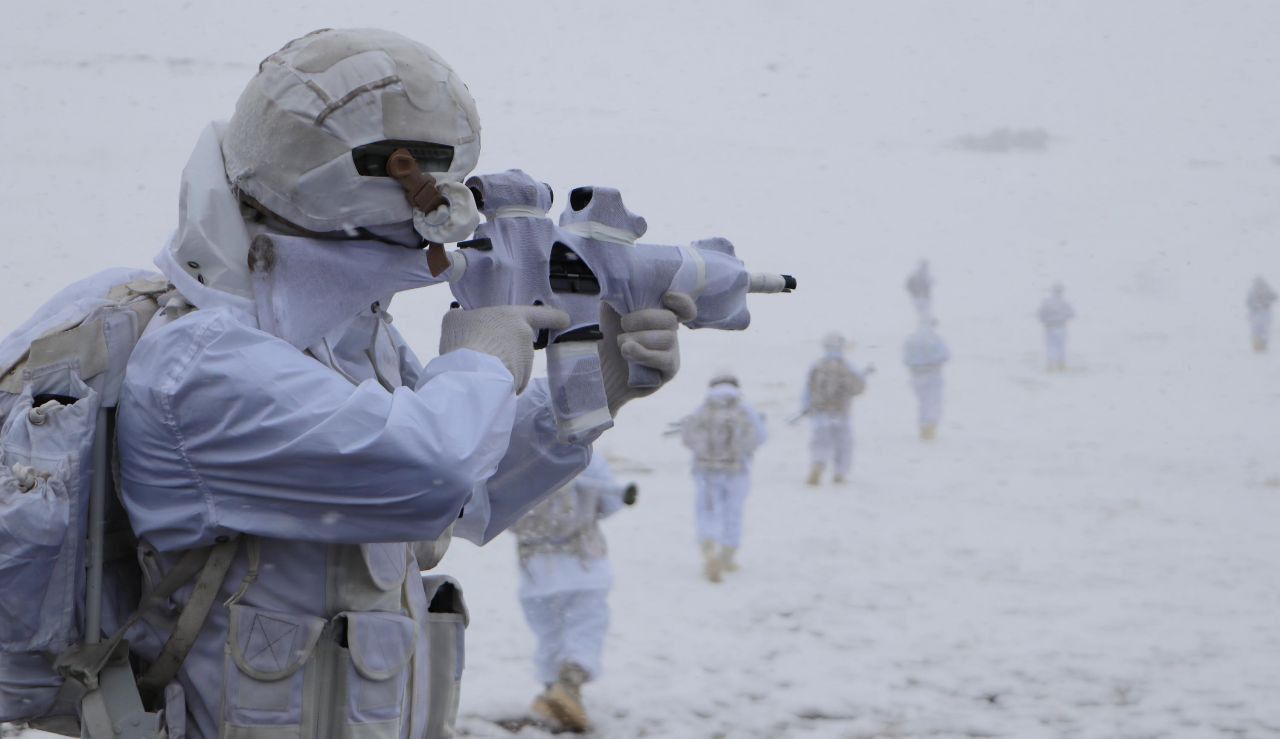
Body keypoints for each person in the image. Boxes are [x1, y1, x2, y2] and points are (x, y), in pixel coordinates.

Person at [110, 29, 688, 738]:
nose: (444, 218)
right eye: (435, 186)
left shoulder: (343, 339)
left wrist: (598, 382)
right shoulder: (202, 363)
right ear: (372, 179)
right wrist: (480, 359)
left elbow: (469, 494)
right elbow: (430, 474)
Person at [510, 454, 637, 733]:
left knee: (549, 634)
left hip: (536, 569)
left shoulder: (516, 458)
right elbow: (611, 503)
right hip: (583, 565)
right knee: (586, 628)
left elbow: (500, 514)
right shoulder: (585, 456)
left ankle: (552, 692)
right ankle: (568, 687)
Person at [679, 373, 766, 582]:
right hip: (737, 469)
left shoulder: (704, 407)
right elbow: (760, 436)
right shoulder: (744, 409)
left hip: (706, 470)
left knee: (707, 510)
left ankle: (709, 547)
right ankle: (728, 554)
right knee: (733, 511)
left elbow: (688, 436)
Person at [801, 333, 870, 486]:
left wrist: (806, 407)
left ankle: (818, 463)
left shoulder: (817, 366)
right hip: (841, 413)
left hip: (820, 413)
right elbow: (858, 388)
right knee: (843, 445)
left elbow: (807, 390)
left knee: (820, 442)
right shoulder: (847, 366)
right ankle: (840, 473)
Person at [902, 319, 950, 441]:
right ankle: (930, 429)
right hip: (932, 375)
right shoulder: (935, 339)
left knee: (922, 402)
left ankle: (922, 427)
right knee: (933, 402)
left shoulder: (911, 340)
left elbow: (905, 359)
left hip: (915, 376)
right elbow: (945, 355)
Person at [1037, 283, 1076, 371]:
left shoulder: (1046, 302)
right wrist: (1063, 318)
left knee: (1050, 347)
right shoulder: (1064, 303)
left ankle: (1051, 365)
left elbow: (1040, 314)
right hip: (1061, 327)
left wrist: (1045, 321)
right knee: (1061, 347)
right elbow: (1072, 314)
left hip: (1050, 327)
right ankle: (1061, 365)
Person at [1246, 276, 1277, 352]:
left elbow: (1274, 296)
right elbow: (1249, 302)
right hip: (1259, 313)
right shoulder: (1254, 292)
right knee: (1260, 330)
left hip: (1263, 312)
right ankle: (1258, 345)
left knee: (1261, 330)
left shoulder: (1265, 290)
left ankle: (1261, 345)